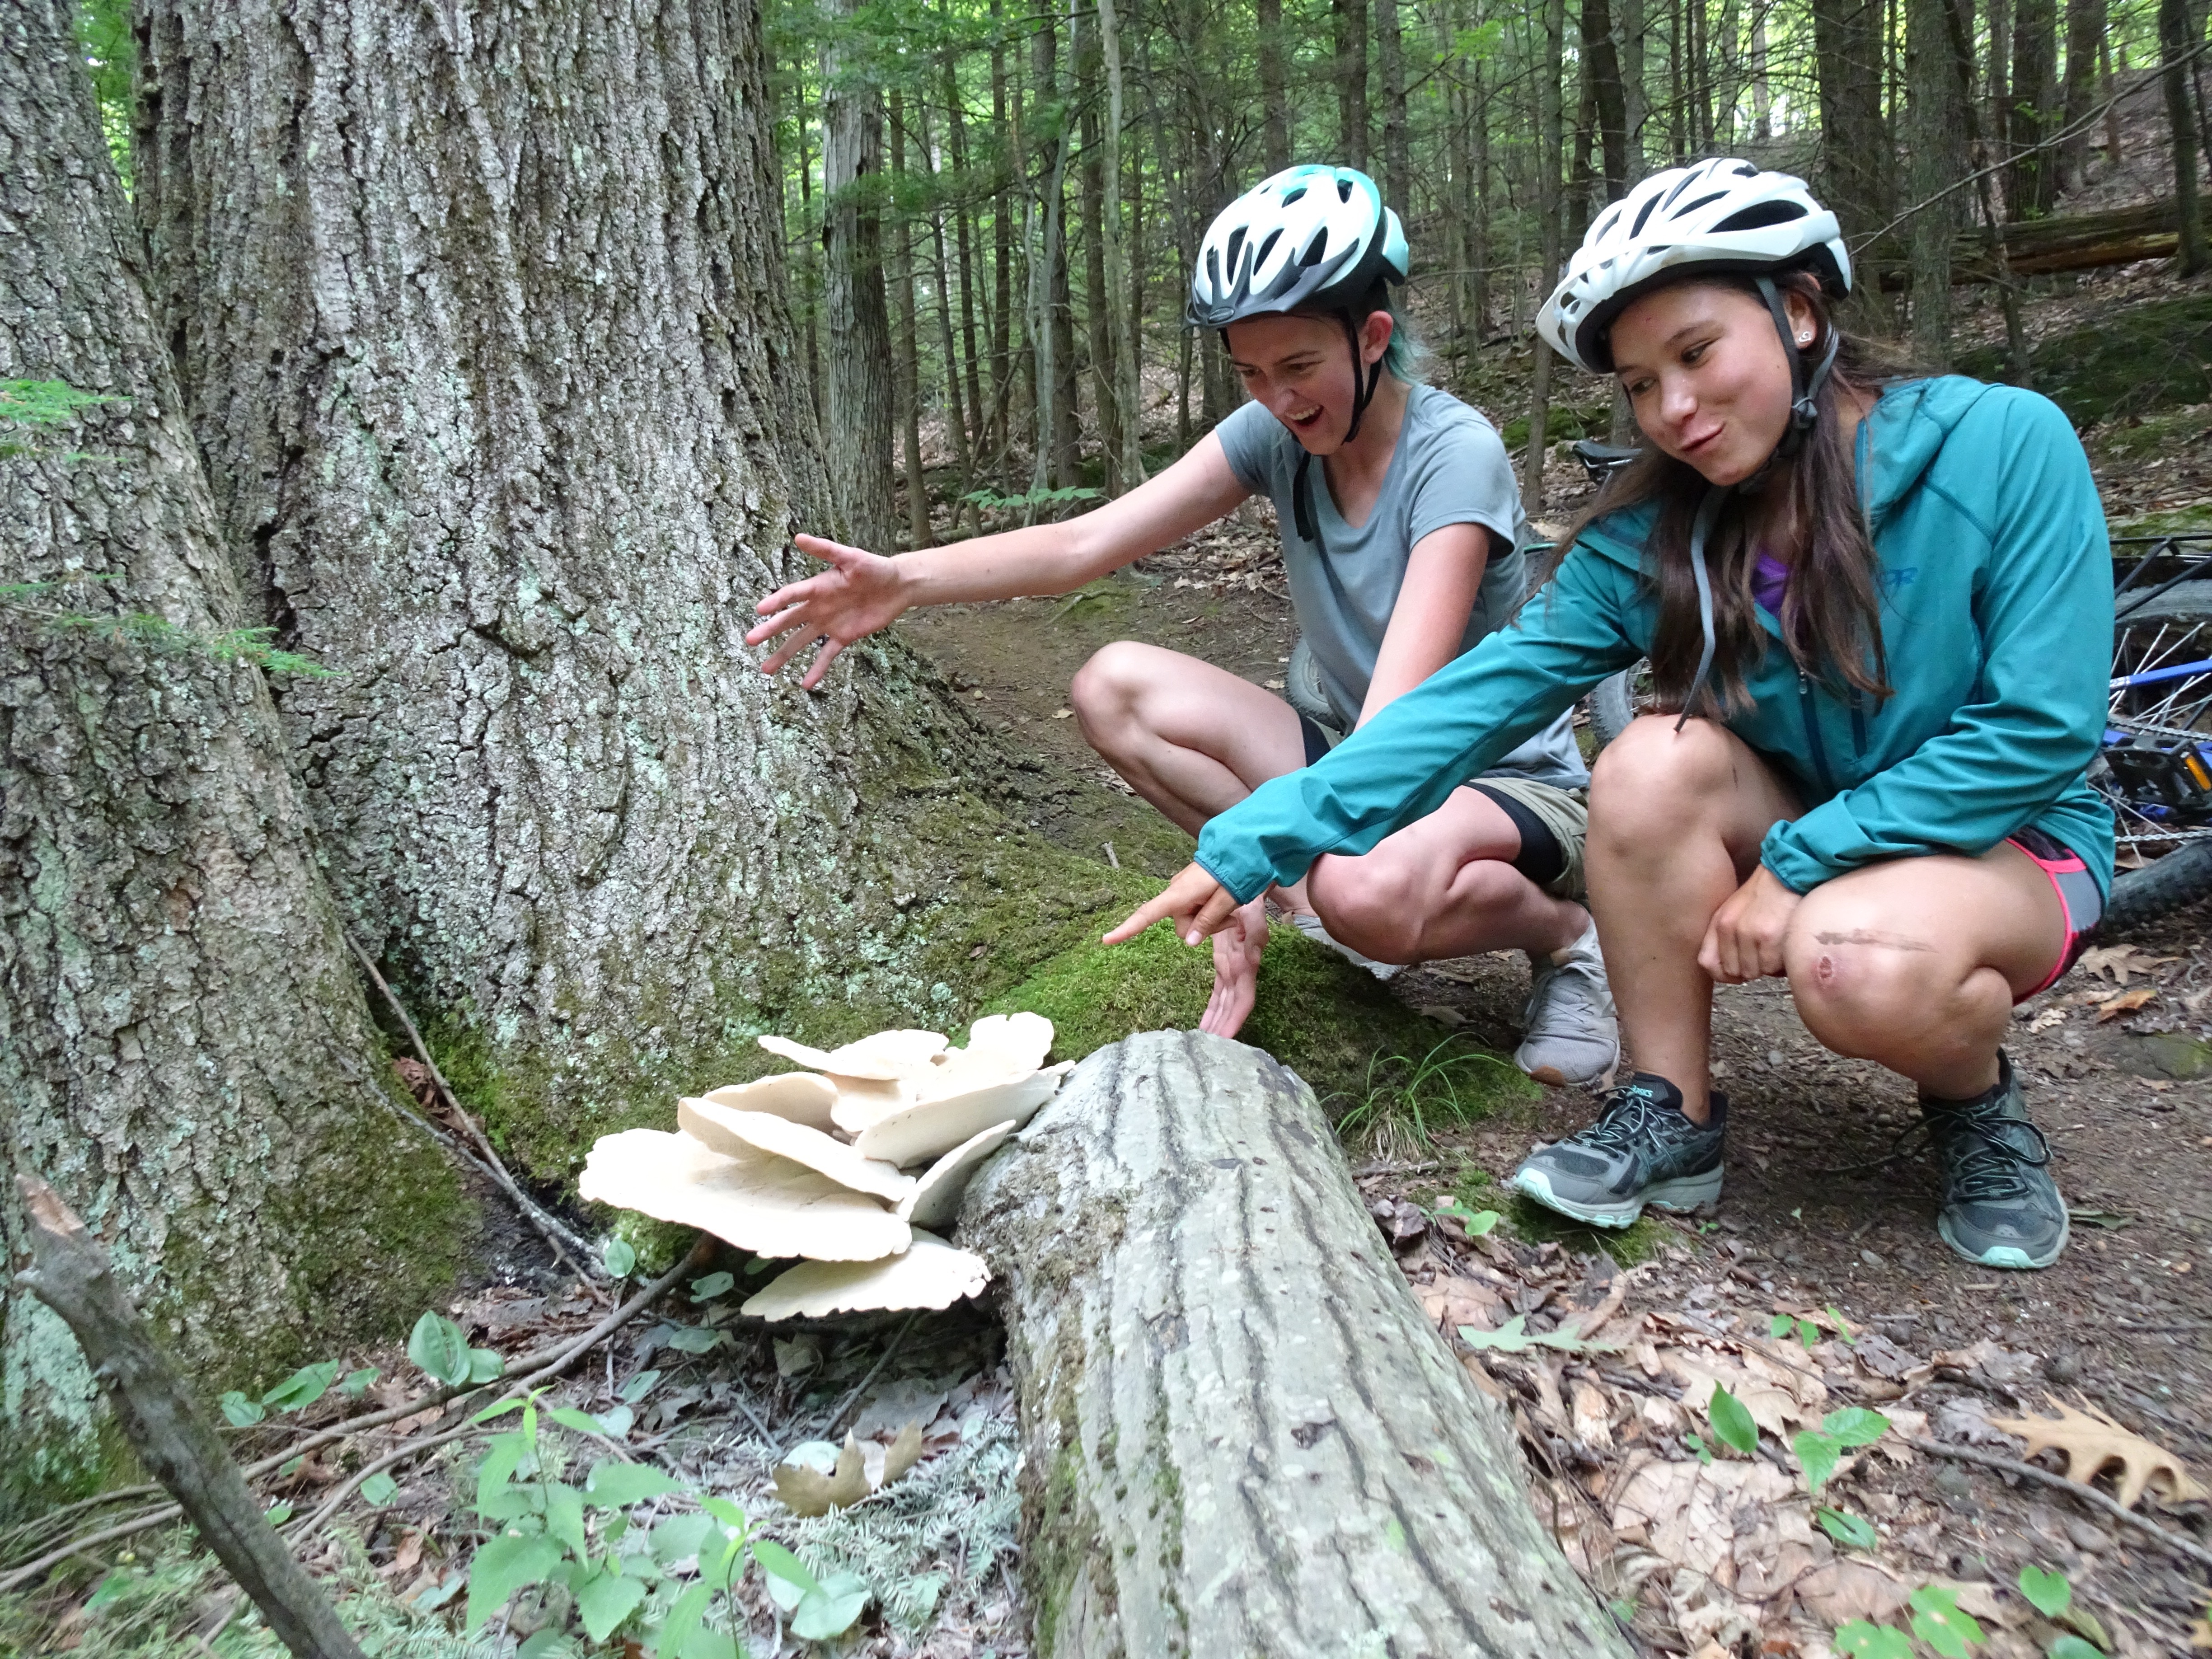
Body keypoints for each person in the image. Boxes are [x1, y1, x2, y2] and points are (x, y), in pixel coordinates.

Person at [1106, 158, 2114, 1271]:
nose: (1673, 410)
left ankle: (1974, 1105)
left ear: (1799, 310)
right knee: (1643, 762)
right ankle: (1668, 1113)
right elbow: (1474, 703)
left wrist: (1801, 863)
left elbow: (2040, 728)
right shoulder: (1659, 533)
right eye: (1639, 385)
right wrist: (1254, 843)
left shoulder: (2005, 444)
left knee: (1854, 966)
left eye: (1696, 354)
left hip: (2004, 835)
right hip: (1807, 812)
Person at [749, 164, 1617, 1085]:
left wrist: (1246, 855)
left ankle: (1566, 939)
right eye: (1249, 372)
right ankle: (1320, 899)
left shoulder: (1456, 454)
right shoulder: (1274, 434)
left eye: (1296, 367)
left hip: (1501, 780)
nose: (1276, 398)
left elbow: (1399, 728)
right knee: (1115, 687)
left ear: (1373, 337)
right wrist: (904, 582)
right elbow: (1087, 543)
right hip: (1358, 757)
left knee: (1363, 880)